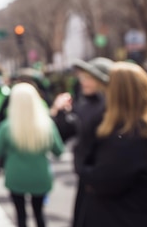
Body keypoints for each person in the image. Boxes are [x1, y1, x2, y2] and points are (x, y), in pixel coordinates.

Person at [77, 61, 147, 226]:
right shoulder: (138, 129)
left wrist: (82, 153)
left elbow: (101, 180)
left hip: (122, 217)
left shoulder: (129, 136)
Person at [49, 57, 113, 227]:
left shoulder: (109, 108)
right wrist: (59, 112)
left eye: (90, 77)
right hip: (90, 184)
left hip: (105, 185)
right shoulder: (86, 104)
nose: (83, 81)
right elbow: (66, 133)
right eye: (83, 77)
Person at [0, 82, 63, 227]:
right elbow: (59, 151)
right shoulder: (47, 124)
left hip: (15, 177)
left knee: (21, 216)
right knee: (39, 214)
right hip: (40, 176)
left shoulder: (6, 127)